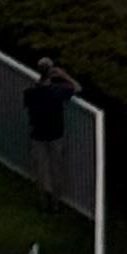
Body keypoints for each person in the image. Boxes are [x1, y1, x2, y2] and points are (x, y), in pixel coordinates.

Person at [23, 52, 81, 188]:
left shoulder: (30, 93)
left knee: (41, 171)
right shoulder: (58, 91)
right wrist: (64, 75)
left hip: (37, 135)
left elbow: (29, 102)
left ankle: (43, 201)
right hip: (56, 135)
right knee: (57, 169)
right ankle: (55, 203)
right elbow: (78, 88)